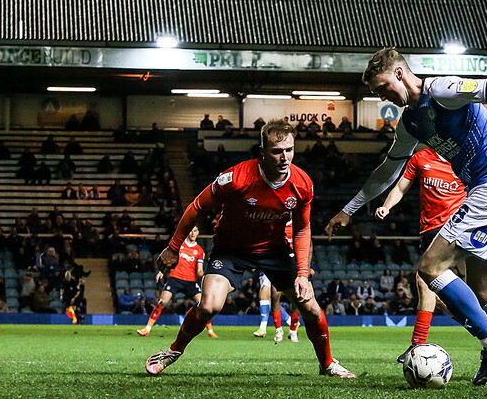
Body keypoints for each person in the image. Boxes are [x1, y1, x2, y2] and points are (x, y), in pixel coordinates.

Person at [326, 47, 487, 388]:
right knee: (484, 290)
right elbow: (387, 170)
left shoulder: (440, 90)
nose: (381, 96)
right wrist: (349, 209)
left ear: (399, 73)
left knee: (430, 268)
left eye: (382, 88)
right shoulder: (410, 122)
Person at [145, 120, 355, 378]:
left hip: (275, 249)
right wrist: (173, 247)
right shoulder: (236, 179)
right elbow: (197, 207)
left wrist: (302, 273)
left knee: (310, 306)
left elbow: (301, 229)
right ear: (263, 151)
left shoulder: (302, 184)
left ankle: (327, 364)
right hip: (230, 249)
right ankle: (173, 350)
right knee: (209, 306)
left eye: (289, 150)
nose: (284, 157)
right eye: (277, 151)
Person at [374, 147, 466, 363]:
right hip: (429, 232)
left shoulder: (465, 159)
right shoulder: (420, 158)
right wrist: (387, 206)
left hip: (455, 230)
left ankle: (417, 346)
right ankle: (484, 331)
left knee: (424, 281)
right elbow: (400, 187)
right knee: (437, 295)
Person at [137, 226, 218, 338]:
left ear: (198, 232)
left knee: (204, 305)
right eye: (191, 231)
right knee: (162, 302)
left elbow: (199, 271)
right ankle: (147, 329)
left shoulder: (199, 250)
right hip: (175, 278)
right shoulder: (179, 246)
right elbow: (169, 259)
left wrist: (208, 277)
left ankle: (210, 331)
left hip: (190, 281)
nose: (193, 233)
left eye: (195, 231)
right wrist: (161, 271)